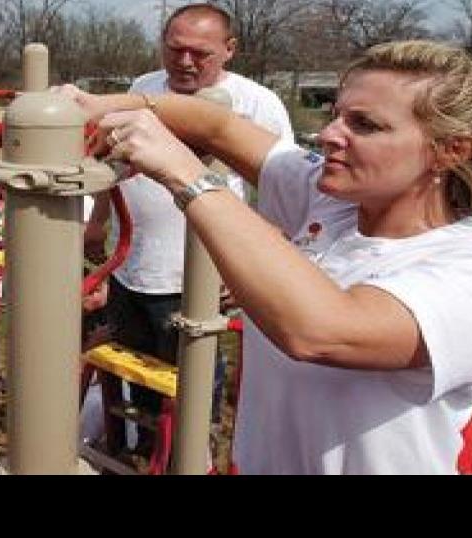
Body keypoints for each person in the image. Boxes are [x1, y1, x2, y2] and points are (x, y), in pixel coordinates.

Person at [63, 39, 472, 474]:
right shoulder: (333, 202)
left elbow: (322, 331)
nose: (330, 134)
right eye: (337, 114)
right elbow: (218, 125)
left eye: (365, 125)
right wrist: (107, 105)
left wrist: (187, 177)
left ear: (450, 152)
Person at [83, 3, 293, 455]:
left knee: (194, 388)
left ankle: (193, 459)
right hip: (132, 267)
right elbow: (113, 162)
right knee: (137, 375)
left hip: (195, 279)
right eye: (175, 49)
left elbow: (285, 195)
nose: (184, 62)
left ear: (229, 49)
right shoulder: (144, 89)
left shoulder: (257, 104)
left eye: (200, 53)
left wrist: (254, 268)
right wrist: (99, 220)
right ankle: (142, 454)